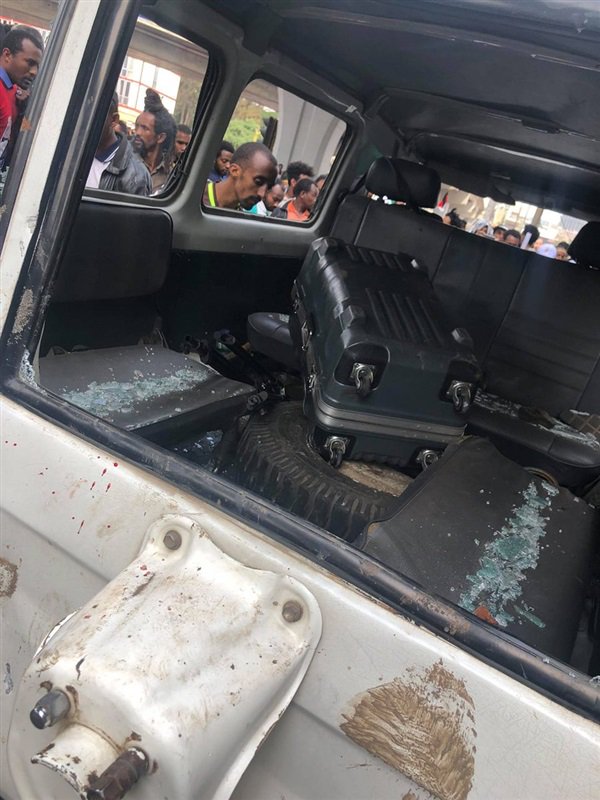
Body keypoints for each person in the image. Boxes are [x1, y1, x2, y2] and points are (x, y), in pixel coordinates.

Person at [86, 92, 151, 196]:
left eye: (94, 116)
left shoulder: (136, 176)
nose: (86, 122)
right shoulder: (73, 153)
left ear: (113, 120)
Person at [0, 25, 44, 170]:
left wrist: (23, 111)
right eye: (30, 63)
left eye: (37, 66)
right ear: (7, 55)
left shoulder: (14, 92)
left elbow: (23, 134)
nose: (34, 72)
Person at [203, 141, 277, 210]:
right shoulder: (198, 196)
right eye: (258, 182)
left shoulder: (239, 217)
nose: (262, 194)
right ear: (234, 171)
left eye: (268, 188)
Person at [132, 88, 176, 193]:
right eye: (137, 126)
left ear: (160, 137)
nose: (137, 132)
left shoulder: (171, 175)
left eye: (145, 128)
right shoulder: (125, 163)